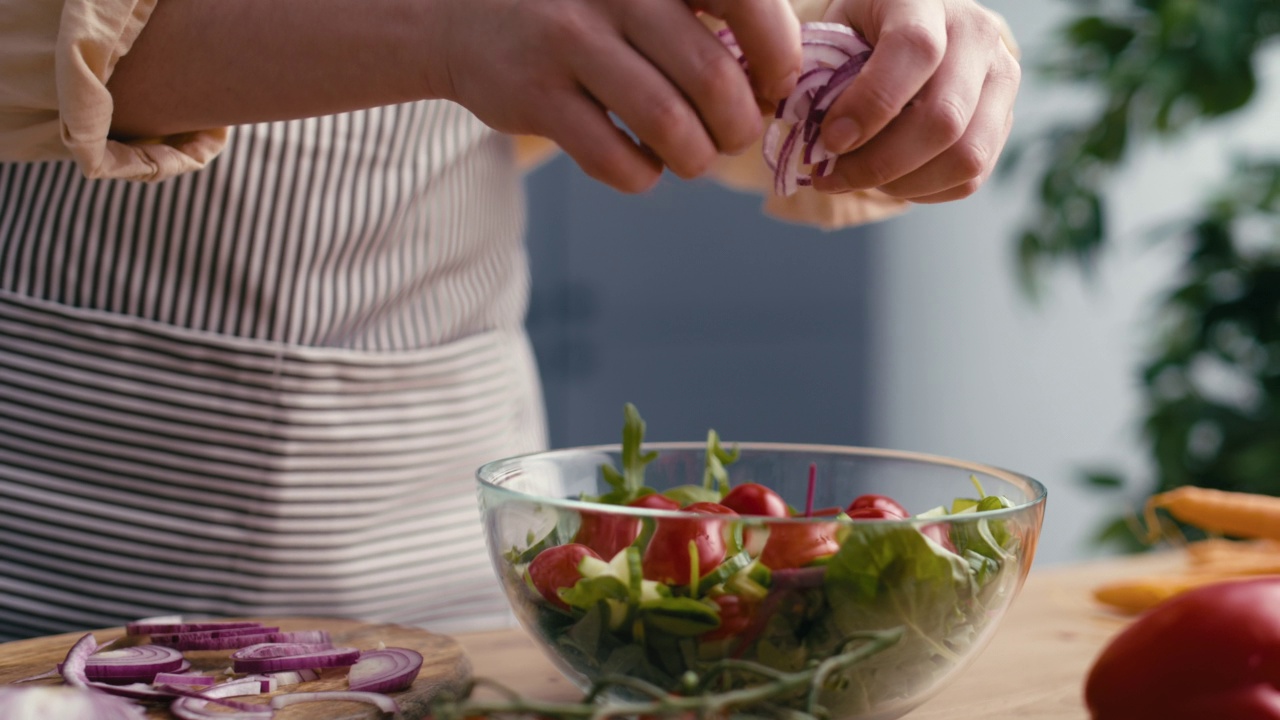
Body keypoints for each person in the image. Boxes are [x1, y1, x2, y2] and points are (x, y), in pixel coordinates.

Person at [0, 0, 1020, 640]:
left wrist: (895, 52)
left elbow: (749, 51)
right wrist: (442, 28)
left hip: (453, 578)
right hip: (45, 561)